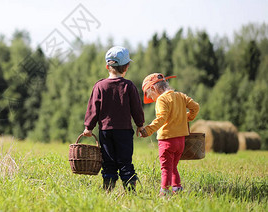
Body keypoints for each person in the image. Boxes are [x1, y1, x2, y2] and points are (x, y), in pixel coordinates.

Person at [83, 46, 145, 192]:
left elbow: (93, 108)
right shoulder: (129, 86)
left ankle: (108, 191)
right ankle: (130, 193)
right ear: (126, 67)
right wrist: (140, 125)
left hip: (105, 132)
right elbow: (136, 108)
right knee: (125, 162)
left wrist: (88, 127)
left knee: (108, 163)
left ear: (107, 66)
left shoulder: (99, 86)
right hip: (124, 132)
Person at [139, 73, 200, 196]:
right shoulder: (180, 96)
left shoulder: (162, 99)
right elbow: (196, 107)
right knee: (173, 166)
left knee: (165, 168)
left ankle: (164, 192)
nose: (151, 99)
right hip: (181, 142)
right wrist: (187, 118)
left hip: (167, 141)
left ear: (153, 88)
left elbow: (161, 118)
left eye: (150, 95)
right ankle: (177, 189)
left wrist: (148, 130)